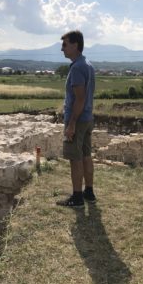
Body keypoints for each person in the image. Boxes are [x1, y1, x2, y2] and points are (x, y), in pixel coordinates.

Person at [57, 30, 96, 207]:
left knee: (75, 158)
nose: (62, 49)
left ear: (75, 45)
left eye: (64, 44)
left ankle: (77, 197)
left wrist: (71, 123)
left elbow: (79, 98)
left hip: (78, 120)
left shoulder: (78, 68)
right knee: (86, 155)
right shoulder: (87, 64)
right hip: (87, 117)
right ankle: (89, 192)